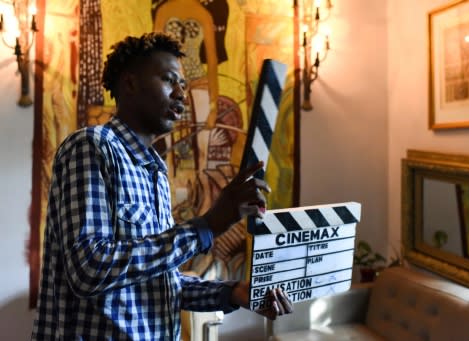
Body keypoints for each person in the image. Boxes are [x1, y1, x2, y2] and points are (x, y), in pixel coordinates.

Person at [31, 32, 293, 340]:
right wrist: (207, 226)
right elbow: (89, 270)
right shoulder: (92, 147)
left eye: (183, 84)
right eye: (170, 80)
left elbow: (162, 284)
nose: (181, 94)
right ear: (129, 84)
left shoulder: (154, 172)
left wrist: (232, 292)